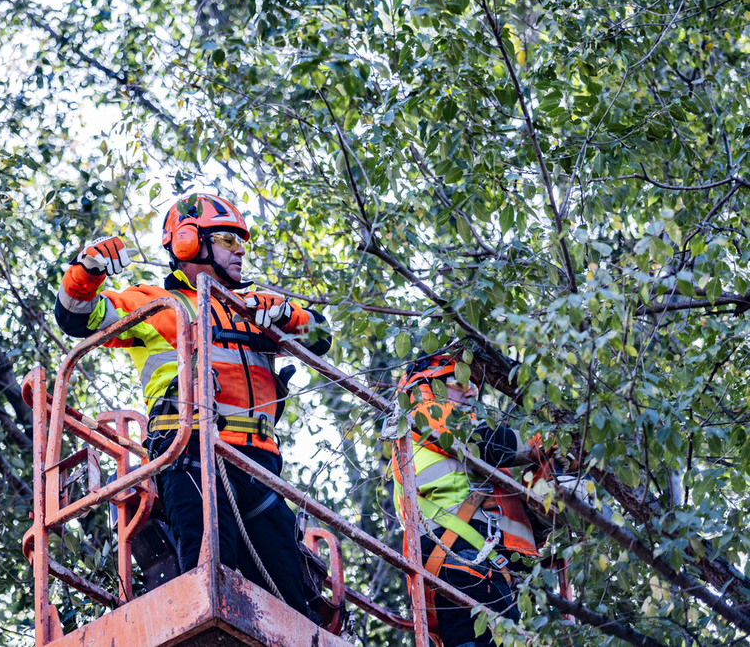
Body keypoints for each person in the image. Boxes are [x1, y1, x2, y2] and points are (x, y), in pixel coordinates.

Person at [54, 192, 331, 620]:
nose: (240, 250)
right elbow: (79, 317)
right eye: (227, 239)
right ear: (188, 243)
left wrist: (291, 317)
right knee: (210, 589)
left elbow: (320, 337)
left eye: (241, 242)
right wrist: (85, 273)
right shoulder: (157, 305)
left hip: (261, 469)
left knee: (293, 609)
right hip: (191, 458)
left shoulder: (255, 309)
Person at [391, 353, 541, 647]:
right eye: (459, 382)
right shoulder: (426, 412)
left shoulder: (473, 459)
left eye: (474, 385)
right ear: (428, 385)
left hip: (483, 567)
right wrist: (545, 444)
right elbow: (488, 442)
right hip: (459, 557)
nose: (472, 391)